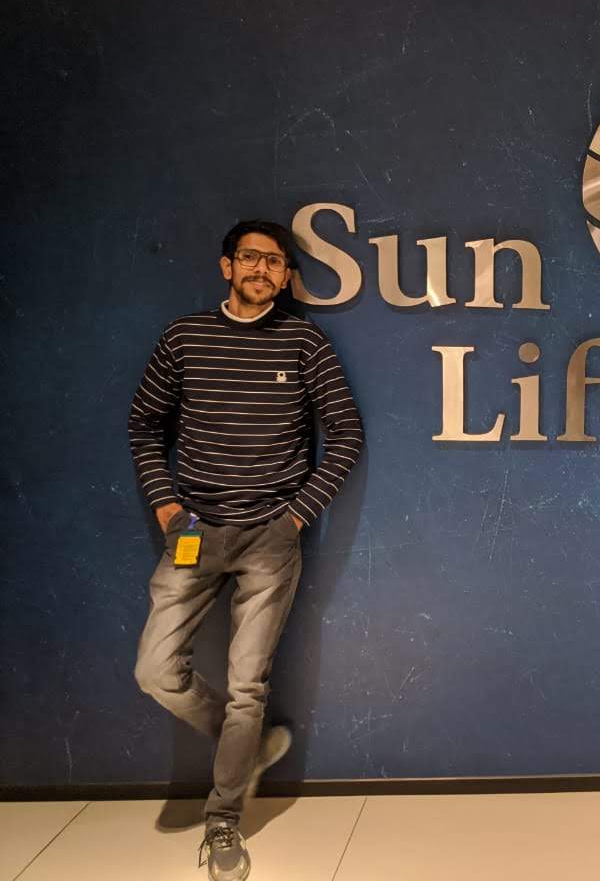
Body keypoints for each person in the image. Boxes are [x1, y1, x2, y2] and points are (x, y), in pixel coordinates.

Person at [127, 220, 365, 880]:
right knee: (155, 671)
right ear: (227, 266)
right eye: (252, 258)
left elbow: (346, 431)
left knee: (246, 685)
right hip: (193, 532)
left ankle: (223, 820)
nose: (263, 270)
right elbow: (145, 423)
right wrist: (167, 507)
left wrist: (296, 517)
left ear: (287, 278)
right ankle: (249, 748)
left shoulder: (304, 341)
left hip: (270, 540)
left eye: (276, 263)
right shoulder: (184, 338)